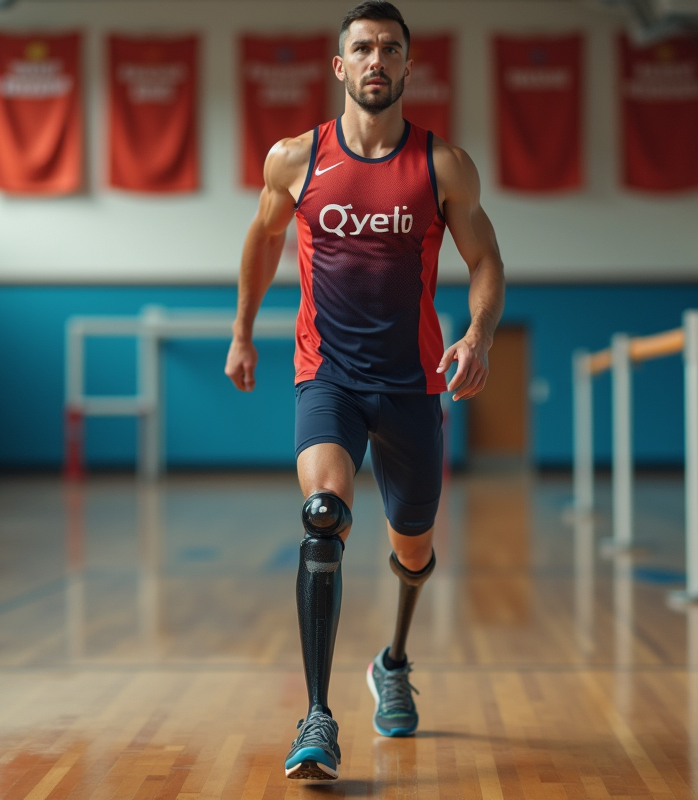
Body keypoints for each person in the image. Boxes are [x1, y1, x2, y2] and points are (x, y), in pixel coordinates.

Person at [224, 0, 505, 781]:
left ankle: (394, 661)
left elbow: (486, 260)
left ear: (408, 65)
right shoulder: (295, 159)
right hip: (329, 376)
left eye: (390, 48)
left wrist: (479, 335)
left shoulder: (444, 166)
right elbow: (263, 239)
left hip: (413, 385)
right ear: (340, 65)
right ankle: (317, 714)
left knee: (413, 550)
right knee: (325, 516)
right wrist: (243, 331)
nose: (376, 59)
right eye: (363, 48)